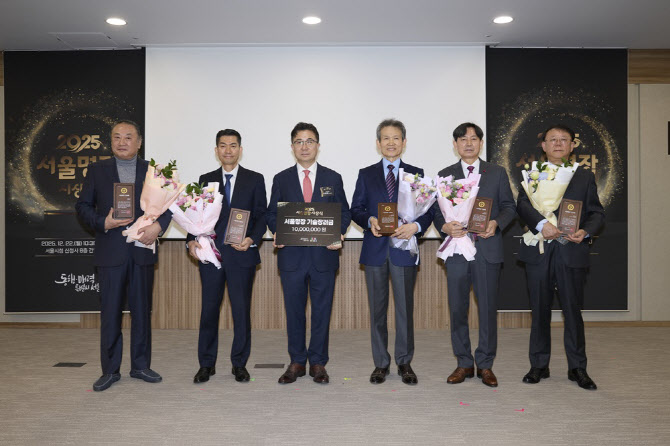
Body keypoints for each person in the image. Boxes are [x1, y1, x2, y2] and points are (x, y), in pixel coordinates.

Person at [76, 120, 171, 391]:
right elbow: (82, 206)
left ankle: (140, 366)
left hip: (142, 249)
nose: (122, 142)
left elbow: (170, 206)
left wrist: (158, 227)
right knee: (110, 313)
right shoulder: (97, 170)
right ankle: (110, 370)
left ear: (139, 142)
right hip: (111, 251)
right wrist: (103, 222)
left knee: (141, 312)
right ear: (111, 141)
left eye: (128, 137)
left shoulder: (154, 172)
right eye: (116, 137)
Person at [517, 124, 605, 390]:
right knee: (539, 310)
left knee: (572, 311)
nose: (557, 143)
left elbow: (596, 213)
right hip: (540, 249)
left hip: (570, 250)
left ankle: (578, 368)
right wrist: (541, 224)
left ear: (572, 145)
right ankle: (538, 365)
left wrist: (585, 231)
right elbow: (522, 204)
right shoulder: (532, 173)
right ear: (543, 145)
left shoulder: (584, 176)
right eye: (552, 139)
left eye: (563, 139)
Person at [266, 122, 351, 384]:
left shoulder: (332, 178)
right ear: (292, 146)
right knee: (294, 312)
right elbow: (272, 214)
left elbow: (344, 213)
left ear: (318, 145)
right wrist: (276, 231)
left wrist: (339, 233)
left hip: (323, 257)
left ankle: (318, 362)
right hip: (292, 258)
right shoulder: (281, 178)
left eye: (310, 141)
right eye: (299, 141)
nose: (305, 146)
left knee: (322, 312)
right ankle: (296, 361)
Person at [350, 118, 434, 385]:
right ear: (378, 143)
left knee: (404, 310)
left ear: (404, 142)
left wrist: (415, 227)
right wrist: (369, 221)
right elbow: (356, 209)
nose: (391, 142)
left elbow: (429, 209)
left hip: (404, 249)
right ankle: (381, 363)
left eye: (396, 138)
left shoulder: (416, 174)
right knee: (377, 310)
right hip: (375, 250)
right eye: (385, 138)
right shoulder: (366, 174)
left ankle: (404, 362)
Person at [432, 122, 516, 387]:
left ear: (481, 143)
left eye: (473, 139)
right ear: (455, 144)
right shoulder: (445, 175)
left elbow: (509, 207)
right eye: (463, 139)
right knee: (458, 307)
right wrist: (444, 226)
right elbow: (436, 212)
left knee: (488, 309)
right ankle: (464, 363)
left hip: (486, 248)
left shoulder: (497, 173)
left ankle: (486, 364)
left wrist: (496, 223)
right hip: (457, 249)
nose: (468, 143)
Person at [187, 129, 267, 384]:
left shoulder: (255, 179)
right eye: (223, 145)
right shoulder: (206, 180)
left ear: (240, 150)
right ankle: (206, 364)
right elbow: (195, 216)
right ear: (216, 150)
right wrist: (191, 240)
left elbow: (262, 216)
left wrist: (252, 239)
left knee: (241, 312)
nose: (228, 150)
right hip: (211, 255)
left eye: (233, 145)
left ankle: (239, 364)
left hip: (241, 256)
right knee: (209, 310)